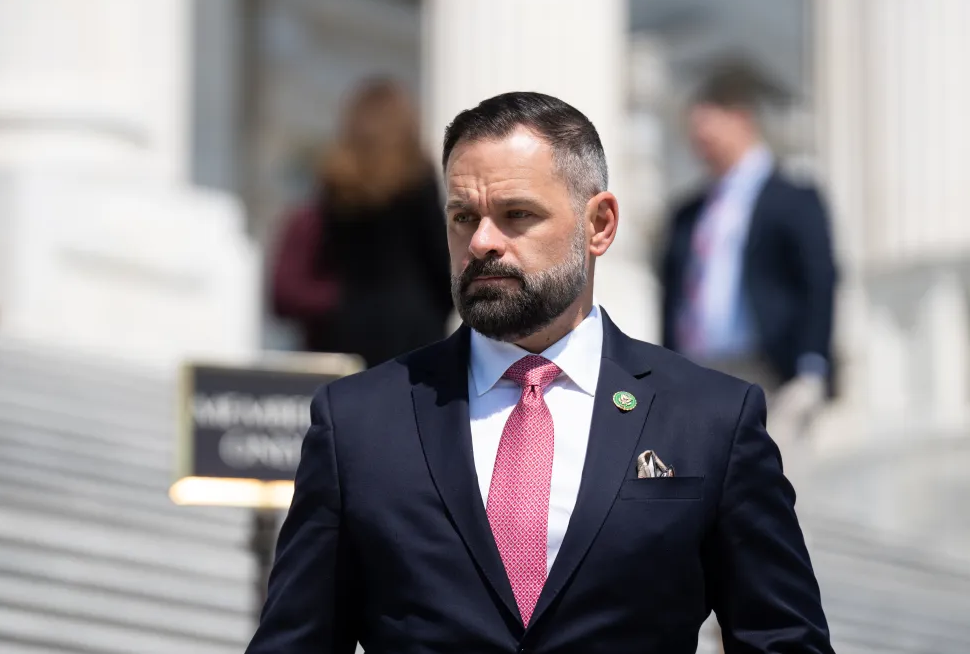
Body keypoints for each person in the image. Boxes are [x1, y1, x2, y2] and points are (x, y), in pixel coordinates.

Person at [246, 92, 834, 654]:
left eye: (516, 215)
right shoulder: (358, 423)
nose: (481, 242)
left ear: (599, 224)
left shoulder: (710, 420)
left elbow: (783, 639)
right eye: (462, 216)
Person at [661, 60, 839, 441]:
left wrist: (812, 366)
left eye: (708, 128)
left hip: (769, 375)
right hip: (698, 375)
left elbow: (819, 280)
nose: (700, 142)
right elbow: (672, 295)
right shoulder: (688, 214)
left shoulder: (793, 199)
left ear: (741, 119)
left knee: (770, 493)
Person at [270, 78, 452, 367]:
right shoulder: (417, 177)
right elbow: (439, 258)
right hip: (412, 326)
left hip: (347, 323)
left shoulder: (336, 180)